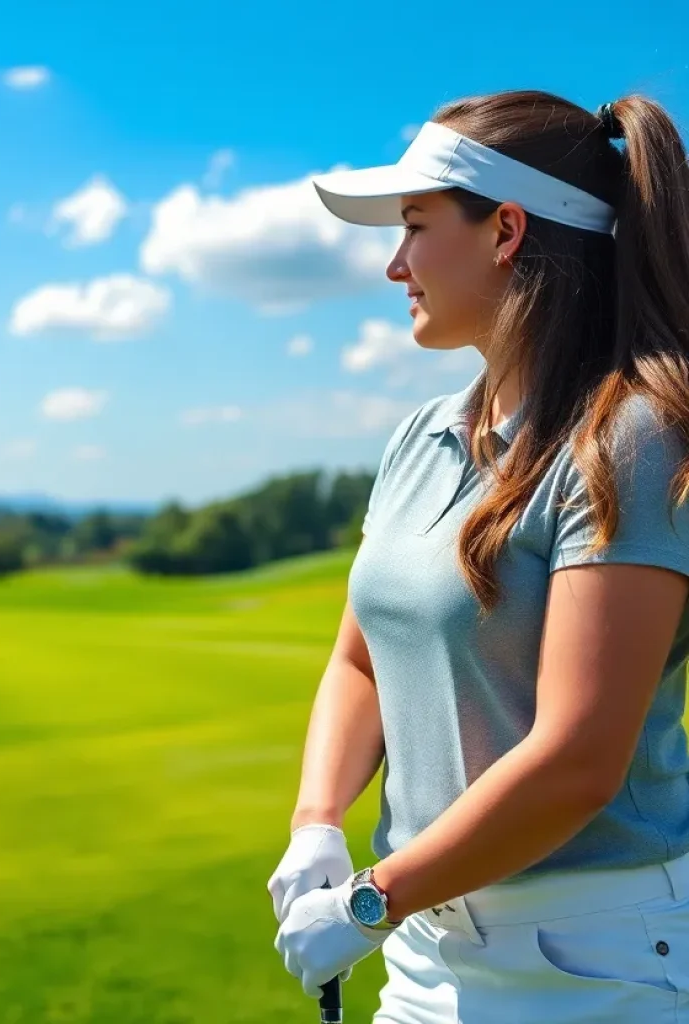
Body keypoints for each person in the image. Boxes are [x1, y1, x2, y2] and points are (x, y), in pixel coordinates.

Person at [267, 89, 689, 1023]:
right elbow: (360, 657)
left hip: (596, 957)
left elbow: (579, 760)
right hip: (424, 948)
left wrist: (372, 898)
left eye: (415, 226)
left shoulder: (631, 438)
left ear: (506, 230)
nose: (393, 265)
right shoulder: (420, 436)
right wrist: (317, 822)